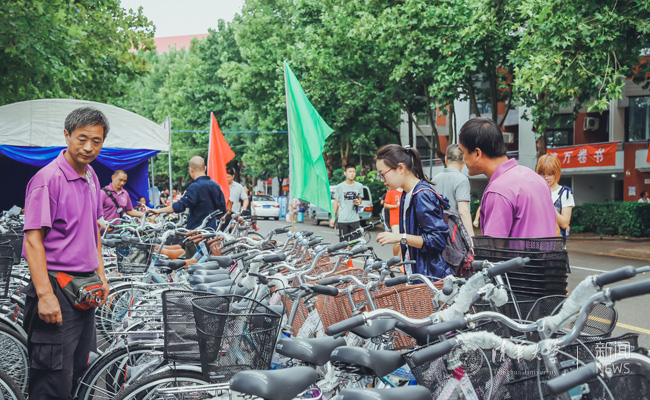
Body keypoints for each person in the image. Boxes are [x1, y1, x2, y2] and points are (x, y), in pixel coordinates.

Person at [22, 107, 111, 399]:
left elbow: (93, 229)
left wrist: (101, 275)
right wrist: (45, 296)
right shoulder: (48, 179)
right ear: (66, 135)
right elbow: (33, 241)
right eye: (81, 139)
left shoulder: (91, 176)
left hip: (85, 289)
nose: (88, 147)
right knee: (52, 381)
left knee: (78, 373)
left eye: (96, 141)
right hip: (56, 289)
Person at [458, 118, 556, 238]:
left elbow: (494, 247)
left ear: (477, 153)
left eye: (463, 153)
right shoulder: (538, 179)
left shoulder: (498, 191)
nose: (463, 160)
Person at [375, 145, 451, 278]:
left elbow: (438, 240)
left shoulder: (422, 195)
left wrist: (400, 237)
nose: (382, 180)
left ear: (401, 168)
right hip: (418, 274)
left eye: (383, 174)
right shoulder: (407, 194)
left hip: (431, 277)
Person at [150, 156, 226, 230]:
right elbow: (222, 209)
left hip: (196, 232)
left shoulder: (194, 187)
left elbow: (180, 206)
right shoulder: (215, 185)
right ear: (205, 168)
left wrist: (159, 210)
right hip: (212, 230)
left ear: (191, 170)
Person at [432, 144, 475, 240]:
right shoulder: (461, 179)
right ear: (463, 162)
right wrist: (471, 238)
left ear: (446, 159)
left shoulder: (435, 179)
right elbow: (463, 211)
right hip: (455, 236)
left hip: (438, 233)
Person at [536, 154, 575, 237]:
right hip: (536, 239)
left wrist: (548, 204)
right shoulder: (534, 191)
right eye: (542, 174)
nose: (546, 177)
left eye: (550, 174)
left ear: (557, 173)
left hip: (556, 241)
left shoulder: (565, 193)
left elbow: (564, 223)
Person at [330, 164, 363, 242]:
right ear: (345, 173)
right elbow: (336, 202)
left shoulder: (359, 186)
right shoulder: (340, 187)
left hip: (355, 219)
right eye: (350, 172)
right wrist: (333, 217)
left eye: (353, 172)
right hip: (343, 220)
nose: (352, 174)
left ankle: (351, 251)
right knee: (343, 243)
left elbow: (360, 199)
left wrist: (358, 202)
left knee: (355, 243)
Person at [383, 188, 403, 257]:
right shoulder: (391, 191)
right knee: (397, 242)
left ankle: (402, 261)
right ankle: (395, 259)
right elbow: (385, 205)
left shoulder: (407, 191)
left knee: (405, 242)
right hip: (395, 221)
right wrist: (396, 206)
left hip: (405, 220)